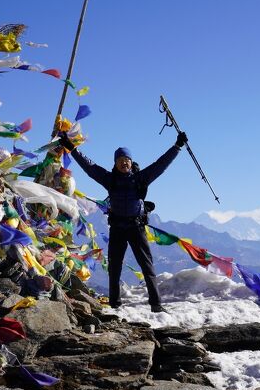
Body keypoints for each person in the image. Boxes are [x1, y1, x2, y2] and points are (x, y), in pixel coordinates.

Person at [62, 132, 188, 312]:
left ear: (131, 161)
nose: (124, 162)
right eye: (120, 159)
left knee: (147, 266)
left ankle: (156, 305)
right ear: (115, 163)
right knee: (114, 268)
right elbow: (89, 167)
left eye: (126, 159)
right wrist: (71, 148)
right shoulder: (109, 179)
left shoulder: (140, 178)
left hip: (136, 227)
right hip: (118, 229)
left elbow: (160, 165)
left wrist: (177, 147)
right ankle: (115, 304)